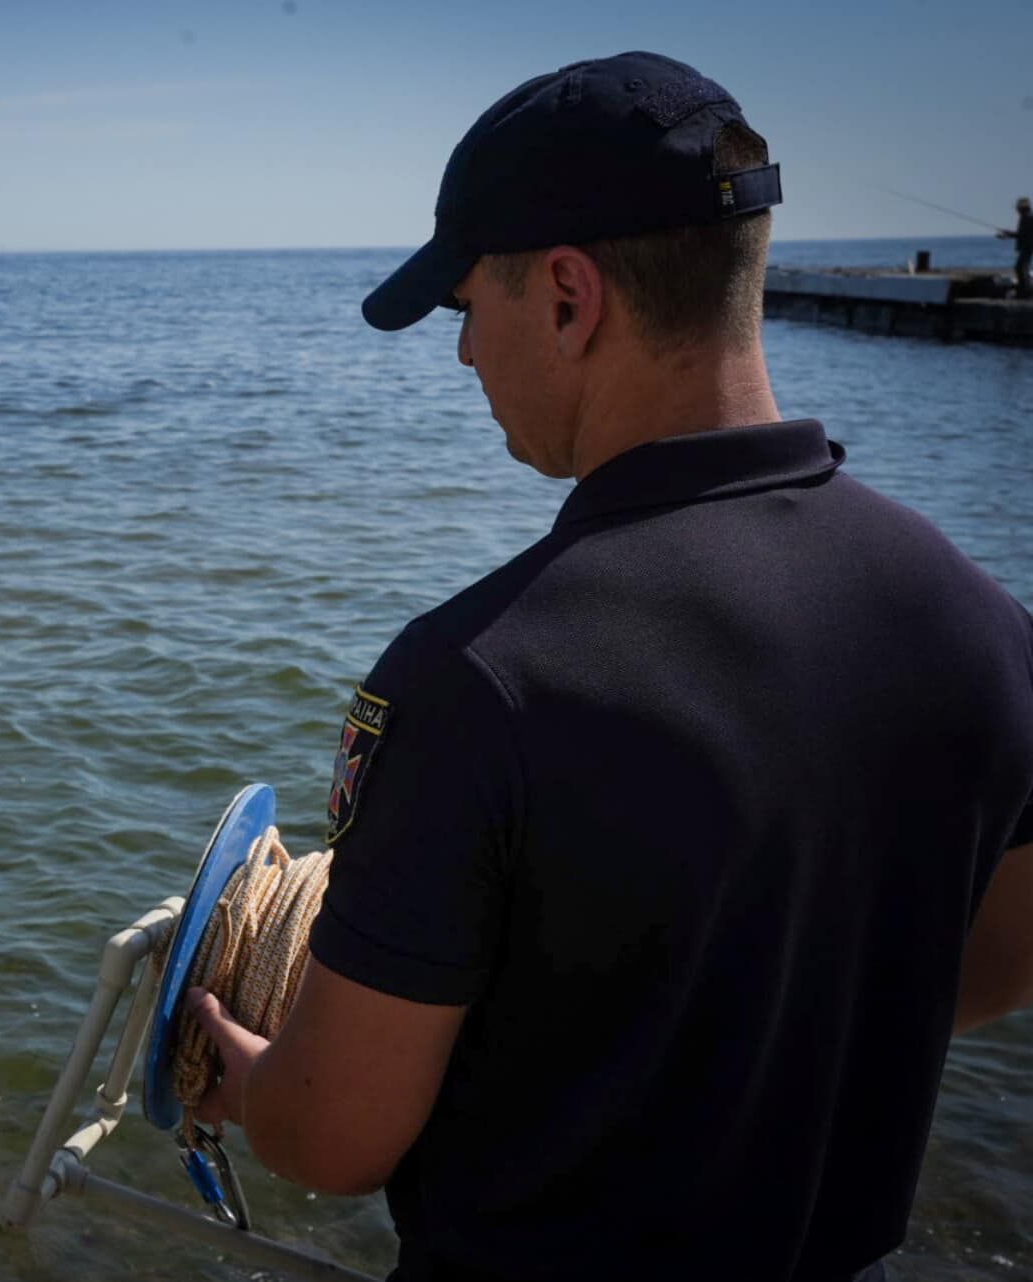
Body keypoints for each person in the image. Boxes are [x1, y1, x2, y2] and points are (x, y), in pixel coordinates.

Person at [186, 51, 1033, 1282]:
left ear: (572, 297)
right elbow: (994, 968)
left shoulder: (475, 679)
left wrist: (259, 1085)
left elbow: (336, 1140)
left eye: (469, 308)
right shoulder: (983, 626)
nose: (467, 355)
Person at [997, 196, 1031, 298]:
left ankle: (1024, 293)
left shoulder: (1027, 218)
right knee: (1022, 269)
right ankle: (1024, 292)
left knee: (1020, 269)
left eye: (1018, 208)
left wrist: (1007, 234)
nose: (1017, 210)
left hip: (1027, 248)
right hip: (1026, 247)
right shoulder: (1026, 217)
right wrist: (1007, 234)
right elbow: (1021, 234)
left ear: (1021, 208)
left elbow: (1021, 234)